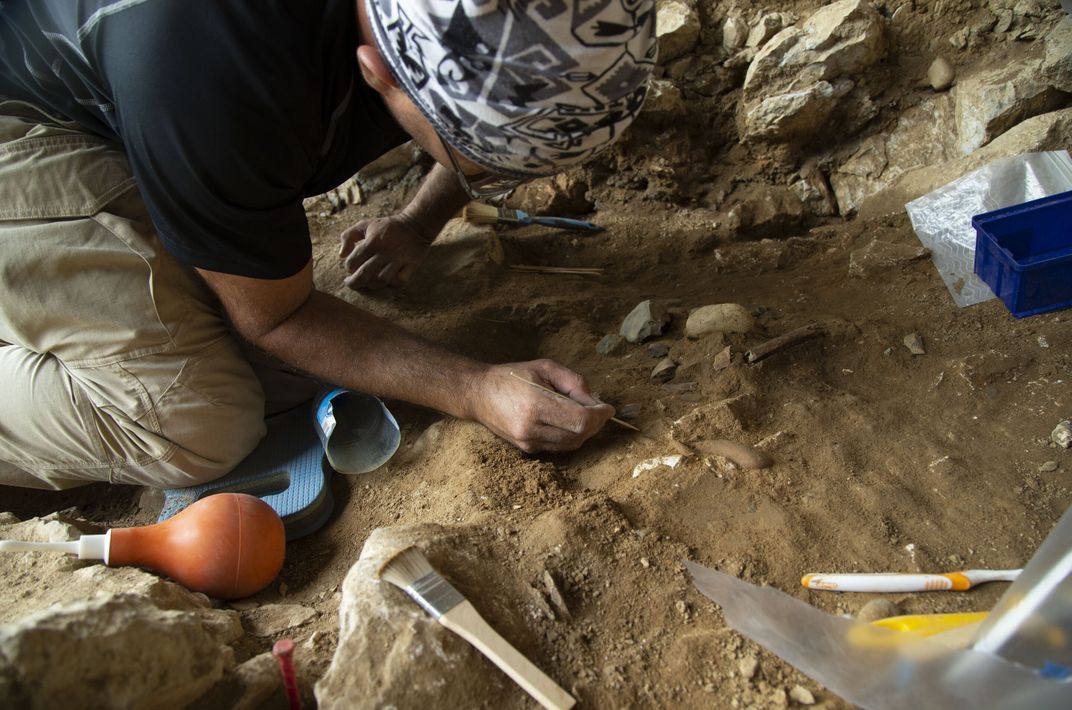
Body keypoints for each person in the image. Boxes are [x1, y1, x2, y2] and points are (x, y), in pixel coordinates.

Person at [0, 0, 656, 490]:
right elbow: (277, 315)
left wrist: (419, 221)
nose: (493, 179)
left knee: (271, 361)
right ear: (377, 72)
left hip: (141, 101)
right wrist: (473, 387)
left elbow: (502, 104)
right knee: (201, 420)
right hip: (27, 117)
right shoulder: (219, 78)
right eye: (477, 168)